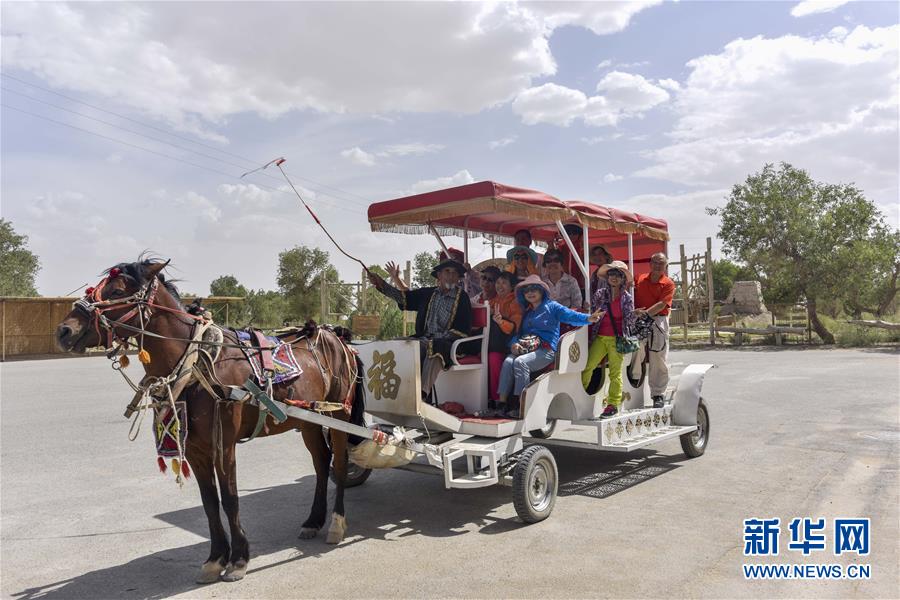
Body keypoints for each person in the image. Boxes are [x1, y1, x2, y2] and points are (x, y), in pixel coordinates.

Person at [498, 275, 602, 418]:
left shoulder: (552, 307)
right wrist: (513, 344)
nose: (530, 292)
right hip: (526, 348)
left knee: (520, 362)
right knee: (508, 361)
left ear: (541, 291)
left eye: (534, 288)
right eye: (527, 290)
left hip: (546, 350)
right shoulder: (527, 312)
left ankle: (520, 405)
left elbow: (570, 315)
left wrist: (588, 319)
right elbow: (519, 333)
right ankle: (502, 405)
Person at [368, 259, 472, 402]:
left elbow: (464, 329)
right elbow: (404, 298)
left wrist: (442, 339)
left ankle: (421, 396)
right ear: (439, 275)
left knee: (434, 348)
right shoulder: (428, 293)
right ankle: (396, 390)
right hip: (423, 339)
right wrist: (380, 284)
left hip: (449, 343)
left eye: (455, 273)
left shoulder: (463, 298)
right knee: (396, 344)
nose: (451, 276)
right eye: (447, 271)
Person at [581, 261, 635, 418]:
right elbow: (592, 311)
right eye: (611, 274)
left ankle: (613, 404)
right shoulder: (600, 294)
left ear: (623, 278)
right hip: (600, 337)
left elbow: (629, 321)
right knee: (588, 366)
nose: (614, 277)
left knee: (615, 372)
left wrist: (634, 315)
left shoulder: (627, 298)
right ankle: (583, 394)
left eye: (618, 275)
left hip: (616, 339)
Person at [632, 252, 676, 408]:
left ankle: (658, 394)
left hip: (657, 319)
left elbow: (662, 305)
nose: (658, 266)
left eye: (661, 263)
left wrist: (644, 314)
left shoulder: (668, 283)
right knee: (634, 347)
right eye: (655, 262)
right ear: (650, 264)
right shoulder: (639, 279)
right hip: (639, 318)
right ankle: (634, 379)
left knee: (658, 356)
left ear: (665, 266)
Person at [484, 271, 522, 414]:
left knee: (493, 359)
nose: (500, 286)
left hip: (507, 345)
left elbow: (515, 327)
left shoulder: (515, 302)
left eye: (504, 283)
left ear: (512, 286)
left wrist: (500, 321)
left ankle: (496, 401)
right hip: (489, 344)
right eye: (498, 282)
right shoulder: (493, 301)